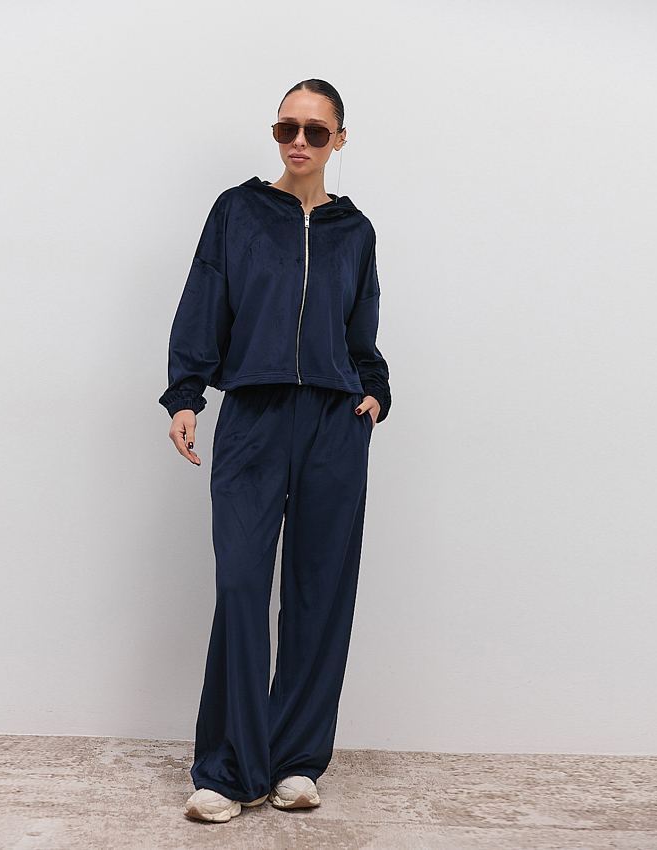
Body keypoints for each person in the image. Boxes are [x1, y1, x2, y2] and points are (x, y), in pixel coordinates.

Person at [158, 79, 391, 823]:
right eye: (287, 127)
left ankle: (295, 760)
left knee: (321, 592)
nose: (299, 141)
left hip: (333, 421)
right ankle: (231, 770)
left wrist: (375, 390)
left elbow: (362, 330)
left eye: (316, 131)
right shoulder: (238, 212)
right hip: (254, 415)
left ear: (339, 140)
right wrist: (186, 393)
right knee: (241, 585)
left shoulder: (355, 231)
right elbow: (205, 299)